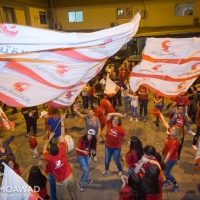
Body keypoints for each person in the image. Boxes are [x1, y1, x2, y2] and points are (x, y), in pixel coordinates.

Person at [43, 113, 77, 200]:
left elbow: (44, 149)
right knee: (72, 192)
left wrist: (49, 139)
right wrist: (62, 121)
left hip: (61, 180)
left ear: (50, 152)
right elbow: (62, 135)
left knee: (59, 198)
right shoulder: (62, 151)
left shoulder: (49, 158)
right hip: (69, 175)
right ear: (58, 148)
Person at [160, 114, 181, 193]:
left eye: (172, 130)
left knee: (166, 173)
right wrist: (161, 115)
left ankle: (176, 184)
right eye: (171, 129)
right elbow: (166, 124)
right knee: (166, 172)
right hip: (166, 156)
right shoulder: (171, 135)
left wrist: (164, 163)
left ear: (176, 133)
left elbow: (169, 153)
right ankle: (168, 181)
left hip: (170, 159)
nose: (170, 130)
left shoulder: (174, 142)